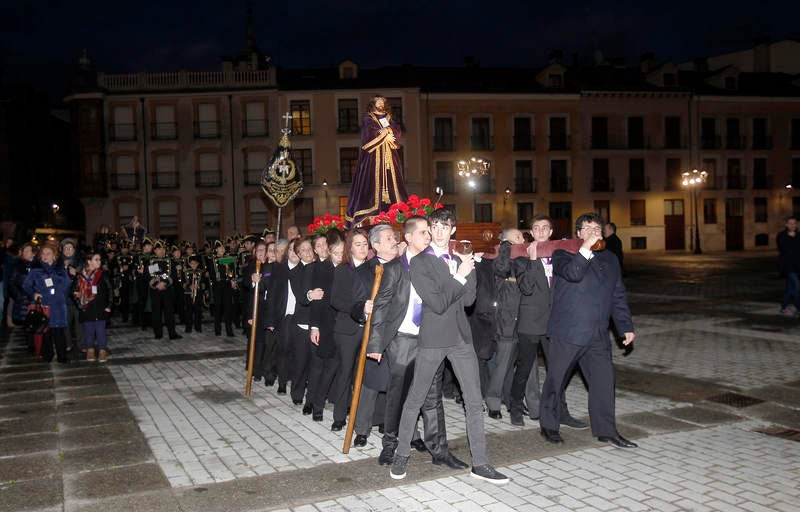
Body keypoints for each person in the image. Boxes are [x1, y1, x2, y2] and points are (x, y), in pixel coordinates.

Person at [390, 210, 508, 484]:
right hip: (433, 338)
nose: (440, 231)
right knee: (416, 398)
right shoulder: (420, 262)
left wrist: (469, 271)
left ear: (453, 230)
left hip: (461, 338)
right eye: (435, 226)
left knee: (473, 401)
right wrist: (460, 276)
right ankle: (402, 454)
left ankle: (480, 463)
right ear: (430, 230)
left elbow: (468, 302)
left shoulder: (458, 259)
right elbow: (437, 303)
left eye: (445, 226)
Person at [369, 216, 467, 470]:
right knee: (398, 395)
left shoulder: (437, 264)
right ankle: (390, 445)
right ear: (409, 237)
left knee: (432, 398)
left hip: (430, 339)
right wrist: (376, 344)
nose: (429, 236)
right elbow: (380, 308)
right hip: (403, 340)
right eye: (423, 232)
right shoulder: (395, 268)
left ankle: (439, 449)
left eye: (429, 231)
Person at [539, 213, 636, 448]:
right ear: (579, 232)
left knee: (604, 381)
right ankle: (549, 426)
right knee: (556, 380)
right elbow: (573, 274)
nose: (594, 232)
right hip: (569, 332)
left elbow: (617, 294)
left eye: (597, 229)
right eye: (588, 228)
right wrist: (585, 249)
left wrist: (625, 327)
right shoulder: (563, 254)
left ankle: (606, 430)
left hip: (598, 333)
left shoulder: (611, 259)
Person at [508, 215, 587, 429]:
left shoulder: (560, 256)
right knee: (524, 367)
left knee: (558, 368)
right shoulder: (522, 257)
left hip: (555, 321)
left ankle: (561, 411)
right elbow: (526, 288)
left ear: (551, 232)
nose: (541, 232)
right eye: (536, 228)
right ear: (531, 233)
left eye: (545, 228)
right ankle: (515, 407)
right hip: (531, 321)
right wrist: (533, 261)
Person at [344, 96, 409, 228]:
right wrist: (384, 134)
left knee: (394, 184)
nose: (380, 102)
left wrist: (388, 130)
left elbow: (396, 131)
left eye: (382, 101)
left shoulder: (389, 119)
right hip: (372, 160)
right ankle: (370, 213)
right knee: (370, 184)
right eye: (377, 101)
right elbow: (368, 137)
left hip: (389, 159)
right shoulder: (368, 119)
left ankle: (395, 211)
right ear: (372, 104)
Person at [24, 241, 72, 363]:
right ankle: (47, 355)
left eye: (48, 253)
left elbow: (67, 283)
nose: (45, 256)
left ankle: (62, 356)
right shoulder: (36, 270)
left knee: (59, 331)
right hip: (44, 303)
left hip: (58, 304)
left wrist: (60, 293)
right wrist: (34, 294)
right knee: (46, 331)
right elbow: (26, 285)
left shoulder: (60, 269)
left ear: (54, 255)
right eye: (43, 254)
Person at [73, 252, 113, 362]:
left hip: (100, 307)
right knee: (89, 330)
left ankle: (102, 351)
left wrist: (109, 305)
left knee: (100, 330)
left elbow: (110, 290)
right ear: (89, 261)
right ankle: (90, 350)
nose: (99, 262)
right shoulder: (80, 276)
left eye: (99, 260)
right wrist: (80, 305)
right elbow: (74, 292)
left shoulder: (103, 274)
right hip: (87, 307)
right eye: (96, 259)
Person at [148, 240, 181, 340]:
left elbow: (173, 275)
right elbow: (150, 275)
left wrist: (165, 283)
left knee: (169, 313)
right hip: (156, 290)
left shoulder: (169, 261)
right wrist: (158, 284)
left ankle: (172, 333)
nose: (161, 251)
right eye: (158, 249)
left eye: (162, 249)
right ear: (155, 251)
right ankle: (158, 333)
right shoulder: (151, 261)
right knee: (156, 312)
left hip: (167, 290)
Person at [777, 216, 800, 315]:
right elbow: (784, 250)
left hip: (798, 266)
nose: (792, 225)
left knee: (790, 288)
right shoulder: (781, 236)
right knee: (797, 286)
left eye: (794, 223)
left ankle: (784, 307)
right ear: (786, 224)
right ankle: (799, 308)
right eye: (790, 223)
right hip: (788, 266)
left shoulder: (799, 236)